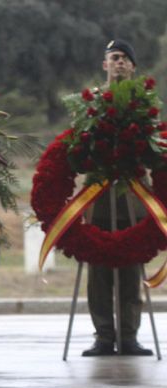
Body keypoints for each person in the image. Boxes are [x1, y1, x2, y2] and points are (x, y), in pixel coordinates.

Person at [82, 39, 152, 357]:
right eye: (114, 57)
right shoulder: (91, 103)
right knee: (98, 273)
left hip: (133, 196)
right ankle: (103, 335)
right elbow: (77, 145)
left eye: (125, 58)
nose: (119, 62)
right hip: (99, 194)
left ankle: (129, 335)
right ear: (104, 65)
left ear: (133, 67)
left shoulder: (144, 103)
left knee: (129, 269)